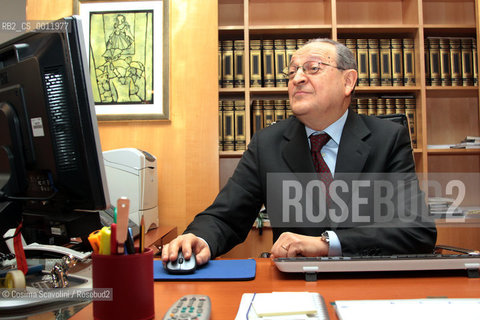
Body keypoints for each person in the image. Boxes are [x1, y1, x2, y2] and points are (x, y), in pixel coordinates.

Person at [162, 38, 437, 266]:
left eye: (312, 68)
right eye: (292, 72)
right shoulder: (267, 143)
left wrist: (325, 244)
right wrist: (199, 238)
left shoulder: (387, 139)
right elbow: (225, 216)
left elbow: (416, 230)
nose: (298, 78)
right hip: (295, 288)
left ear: (348, 81)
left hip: (369, 282)